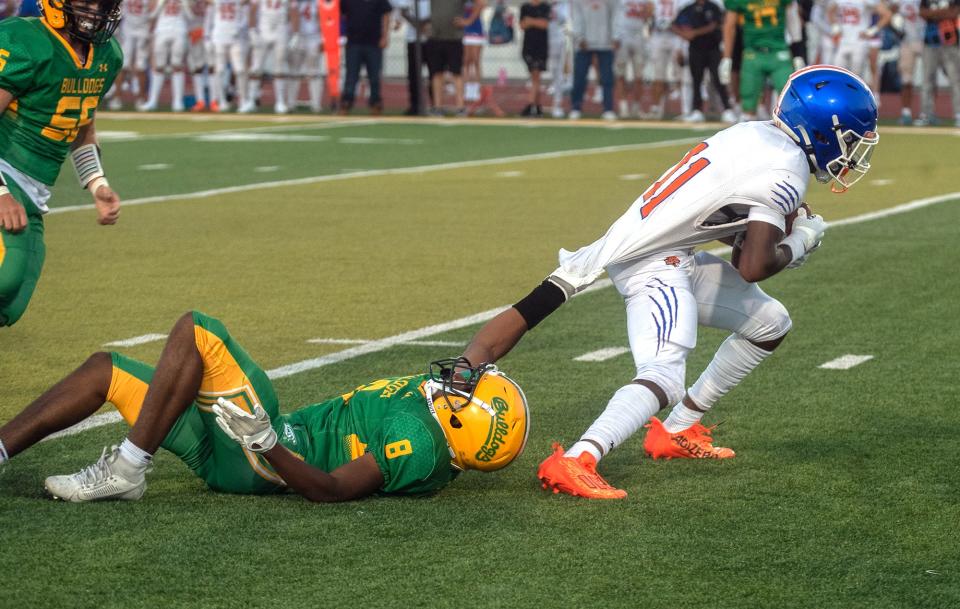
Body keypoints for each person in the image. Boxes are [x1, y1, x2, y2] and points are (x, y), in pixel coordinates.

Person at [459, 66, 878, 499]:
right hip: (653, 262)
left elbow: (716, 223)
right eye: (850, 141)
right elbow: (753, 266)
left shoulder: (755, 134)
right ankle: (577, 458)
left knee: (770, 322)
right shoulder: (786, 168)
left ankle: (676, 429)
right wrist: (800, 243)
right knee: (664, 375)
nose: (853, 155)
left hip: (662, 250)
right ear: (824, 131)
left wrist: (776, 241)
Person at [0, 311, 530, 502]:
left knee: (199, 331)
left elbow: (334, 490)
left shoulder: (418, 444)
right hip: (235, 450)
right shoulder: (448, 416)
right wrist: (563, 282)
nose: (460, 378)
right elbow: (485, 345)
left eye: (468, 389)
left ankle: (128, 467)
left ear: (463, 420)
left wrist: (267, 443)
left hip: (264, 454)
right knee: (105, 370)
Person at [0, 0, 124, 328]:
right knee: (4, 278)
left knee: (11, 303)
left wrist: (97, 184)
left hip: (34, 190)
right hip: (5, 171)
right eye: (84, 2)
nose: (94, 11)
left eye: (102, 3)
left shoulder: (107, 55)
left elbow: (82, 126)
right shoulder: (24, 42)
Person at [721, 0, 805, 120]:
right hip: (753, 53)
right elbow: (729, 26)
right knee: (748, 102)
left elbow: (793, 20)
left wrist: (798, 53)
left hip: (779, 51)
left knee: (791, 99)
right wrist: (726, 58)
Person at [672, 0, 736, 122]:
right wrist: (683, 34)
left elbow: (714, 25)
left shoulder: (713, 7)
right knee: (696, 80)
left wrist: (693, 33)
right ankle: (697, 110)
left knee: (719, 80)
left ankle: (727, 109)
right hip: (696, 49)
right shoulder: (688, 8)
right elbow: (674, 24)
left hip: (713, 48)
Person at [426, 0, 481, 116]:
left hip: (454, 38)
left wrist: (468, 21)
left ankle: (460, 107)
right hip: (436, 36)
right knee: (436, 73)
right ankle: (437, 106)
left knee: (456, 73)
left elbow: (481, 3)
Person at [339, 0, 393, 115]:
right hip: (353, 42)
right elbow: (340, 13)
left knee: (374, 76)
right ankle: (346, 102)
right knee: (351, 76)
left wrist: (385, 36)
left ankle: (375, 103)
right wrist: (341, 34)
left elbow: (386, 14)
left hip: (373, 43)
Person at [569, 0, 617, 120]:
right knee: (579, 76)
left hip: (605, 42)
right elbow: (576, 16)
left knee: (607, 77)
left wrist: (616, 36)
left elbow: (616, 14)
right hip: (584, 43)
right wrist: (580, 37)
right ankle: (576, 107)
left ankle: (608, 108)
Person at [247, 0, 298, 114]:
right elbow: (252, 11)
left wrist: (295, 34)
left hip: (281, 30)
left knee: (280, 66)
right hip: (263, 30)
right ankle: (251, 100)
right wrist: (252, 30)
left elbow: (294, 11)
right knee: (256, 67)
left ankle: (280, 102)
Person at [142, 0, 192, 112]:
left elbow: (191, 16)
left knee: (177, 65)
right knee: (159, 66)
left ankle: (178, 101)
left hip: (179, 30)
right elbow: (151, 15)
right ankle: (153, 101)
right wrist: (160, 4)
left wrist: (184, 5)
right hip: (162, 30)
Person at [915, 0, 960, 126]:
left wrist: (933, 14)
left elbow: (954, 13)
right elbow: (923, 13)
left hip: (950, 42)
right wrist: (944, 12)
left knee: (955, 80)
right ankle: (926, 114)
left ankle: (958, 114)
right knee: (927, 80)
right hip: (930, 42)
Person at [613, 0, 652, 119]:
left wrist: (648, 12)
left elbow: (648, 15)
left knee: (639, 76)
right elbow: (614, 15)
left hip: (639, 36)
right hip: (622, 35)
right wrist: (615, 36)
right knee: (620, 74)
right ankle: (623, 107)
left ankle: (636, 107)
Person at [520, 0, 551, 116]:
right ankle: (537, 106)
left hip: (541, 47)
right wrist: (535, 22)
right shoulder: (525, 7)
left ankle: (531, 104)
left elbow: (544, 24)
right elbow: (522, 25)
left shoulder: (545, 7)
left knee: (536, 75)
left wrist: (531, 21)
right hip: (528, 46)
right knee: (534, 76)